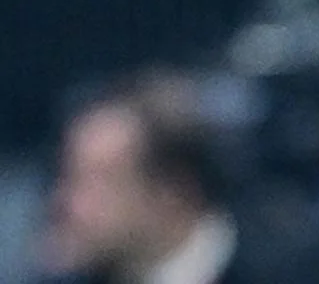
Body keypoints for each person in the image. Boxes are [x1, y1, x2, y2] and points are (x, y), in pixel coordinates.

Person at [37, 69, 267, 284]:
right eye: (66, 177)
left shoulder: (276, 270)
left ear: (173, 192)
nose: (63, 202)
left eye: (97, 183)